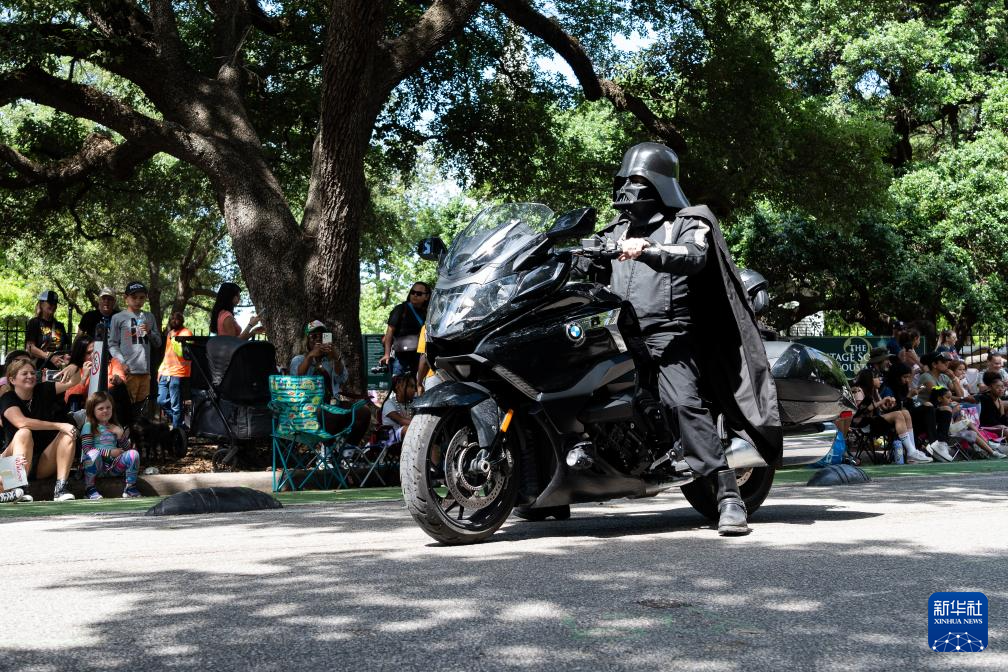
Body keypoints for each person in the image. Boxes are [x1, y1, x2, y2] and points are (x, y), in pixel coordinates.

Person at [582, 142, 780, 535]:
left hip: (671, 335)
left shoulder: (689, 222)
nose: (627, 191)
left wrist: (648, 249)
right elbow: (588, 265)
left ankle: (728, 496)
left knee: (681, 402)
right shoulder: (615, 230)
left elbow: (693, 255)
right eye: (623, 181)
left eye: (637, 181)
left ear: (658, 183)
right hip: (618, 335)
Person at [0, 358, 81, 500]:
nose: (30, 376)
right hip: (11, 464)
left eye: (32, 373)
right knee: (24, 432)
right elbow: (21, 422)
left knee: (68, 434)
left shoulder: (43, 389)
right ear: (12, 380)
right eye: (24, 373)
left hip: (41, 464)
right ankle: (19, 488)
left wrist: (74, 366)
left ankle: (60, 489)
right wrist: (59, 425)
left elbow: (74, 381)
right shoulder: (7, 398)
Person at [289, 320, 370, 445]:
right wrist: (310, 356)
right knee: (330, 414)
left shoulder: (330, 359)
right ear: (307, 340)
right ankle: (327, 449)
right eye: (313, 336)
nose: (318, 339)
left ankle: (348, 450)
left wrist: (336, 358)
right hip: (308, 407)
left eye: (322, 336)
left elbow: (342, 379)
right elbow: (296, 379)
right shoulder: (299, 359)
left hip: (332, 403)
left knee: (363, 412)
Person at [851, 368, 931, 463]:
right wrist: (882, 401)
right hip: (865, 425)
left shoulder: (874, 391)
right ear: (870, 379)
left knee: (905, 412)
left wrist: (890, 404)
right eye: (877, 378)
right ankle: (911, 452)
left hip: (875, 421)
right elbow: (860, 410)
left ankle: (913, 451)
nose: (880, 380)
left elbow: (882, 409)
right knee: (898, 415)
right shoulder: (859, 390)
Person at [108, 281, 162, 406]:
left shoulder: (149, 317)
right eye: (134, 297)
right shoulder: (118, 317)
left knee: (142, 408)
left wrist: (149, 332)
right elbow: (112, 344)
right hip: (128, 371)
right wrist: (122, 363)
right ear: (126, 298)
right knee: (126, 406)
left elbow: (158, 343)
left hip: (145, 372)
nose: (138, 301)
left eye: (141, 297)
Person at [81, 391, 141, 499]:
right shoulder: (89, 426)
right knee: (93, 454)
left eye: (108, 407)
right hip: (96, 468)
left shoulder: (116, 426)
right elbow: (87, 449)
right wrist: (109, 453)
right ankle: (89, 488)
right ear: (92, 410)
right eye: (101, 408)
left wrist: (120, 435)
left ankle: (130, 487)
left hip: (114, 467)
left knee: (133, 454)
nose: (105, 410)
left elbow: (127, 449)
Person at [380, 282, 430, 376]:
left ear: (426, 297)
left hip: (420, 357)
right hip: (401, 358)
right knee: (399, 382)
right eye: (412, 292)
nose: (415, 295)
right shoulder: (400, 309)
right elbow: (389, 332)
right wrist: (387, 354)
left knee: (419, 383)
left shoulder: (428, 312)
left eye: (419, 293)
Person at [157, 311, 192, 429]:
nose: (174, 321)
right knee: (161, 400)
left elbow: (182, 353)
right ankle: (181, 423)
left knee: (175, 405)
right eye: (172, 319)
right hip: (166, 372)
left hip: (179, 372)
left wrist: (174, 339)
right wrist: (161, 369)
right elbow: (167, 353)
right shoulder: (170, 333)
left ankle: (177, 432)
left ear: (181, 321)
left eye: (177, 319)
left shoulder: (186, 332)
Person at [26, 290, 69, 371]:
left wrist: (66, 357)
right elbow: (30, 348)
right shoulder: (35, 322)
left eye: (55, 303)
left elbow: (65, 348)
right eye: (50, 303)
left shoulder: (59, 325)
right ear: (41, 304)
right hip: (39, 369)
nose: (53, 306)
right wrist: (50, 357)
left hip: (57, 370)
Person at [381, 375, 416, 445]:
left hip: (407, 432)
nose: (414, 390)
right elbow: (401, 420)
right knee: (408, 429)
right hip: (391, 438)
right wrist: (419, 425)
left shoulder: (412, 404)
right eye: (411, 386)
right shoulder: (389, 404)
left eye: (414, 387)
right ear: (398, 387)